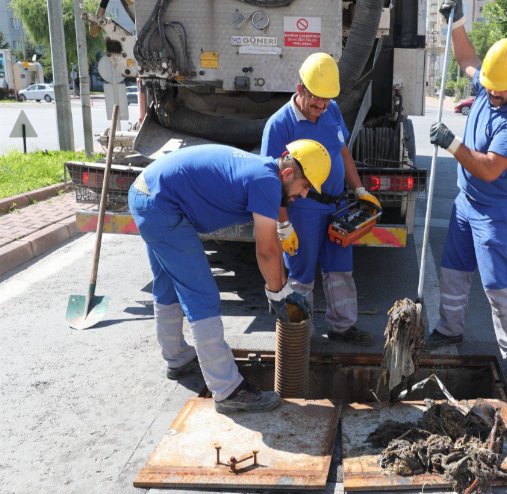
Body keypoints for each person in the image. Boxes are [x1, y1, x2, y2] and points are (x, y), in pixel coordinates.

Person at [128, 140, 331, 413]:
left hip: (149, 192)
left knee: (167, 284)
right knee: (202, 295)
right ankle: (227, 390)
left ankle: (176, 357)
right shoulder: (266, 181)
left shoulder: (266, 172)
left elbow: (274, 229)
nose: (305, 195)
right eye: (306, 186)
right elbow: (268, 252)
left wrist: (283, 227)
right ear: (288, 174)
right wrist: (279, 294)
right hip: (161, 205)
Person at [424, 0, 507, 391]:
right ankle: (449, 329)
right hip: (465, 202)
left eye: (496, 88)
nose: (489, 91)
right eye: (486, 85)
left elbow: (490, 168)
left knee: (498, 283)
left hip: (496, 210)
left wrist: (453, 143)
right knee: (453, 270)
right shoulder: (494, 83)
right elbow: (468, 57)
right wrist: (456, 22)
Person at [261, 52, 380, 346]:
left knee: (340, 269)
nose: (321, 107)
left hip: (337, 205)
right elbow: (270, 180)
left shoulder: (331, 111)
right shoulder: (280, 124)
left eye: (326, 100)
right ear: (300, 89)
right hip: (303, 209)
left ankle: (343, 326)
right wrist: (283, 223)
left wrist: (360, 190)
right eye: (316, 100)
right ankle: (300, 334)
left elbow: (343, 152)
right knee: (300, 274)